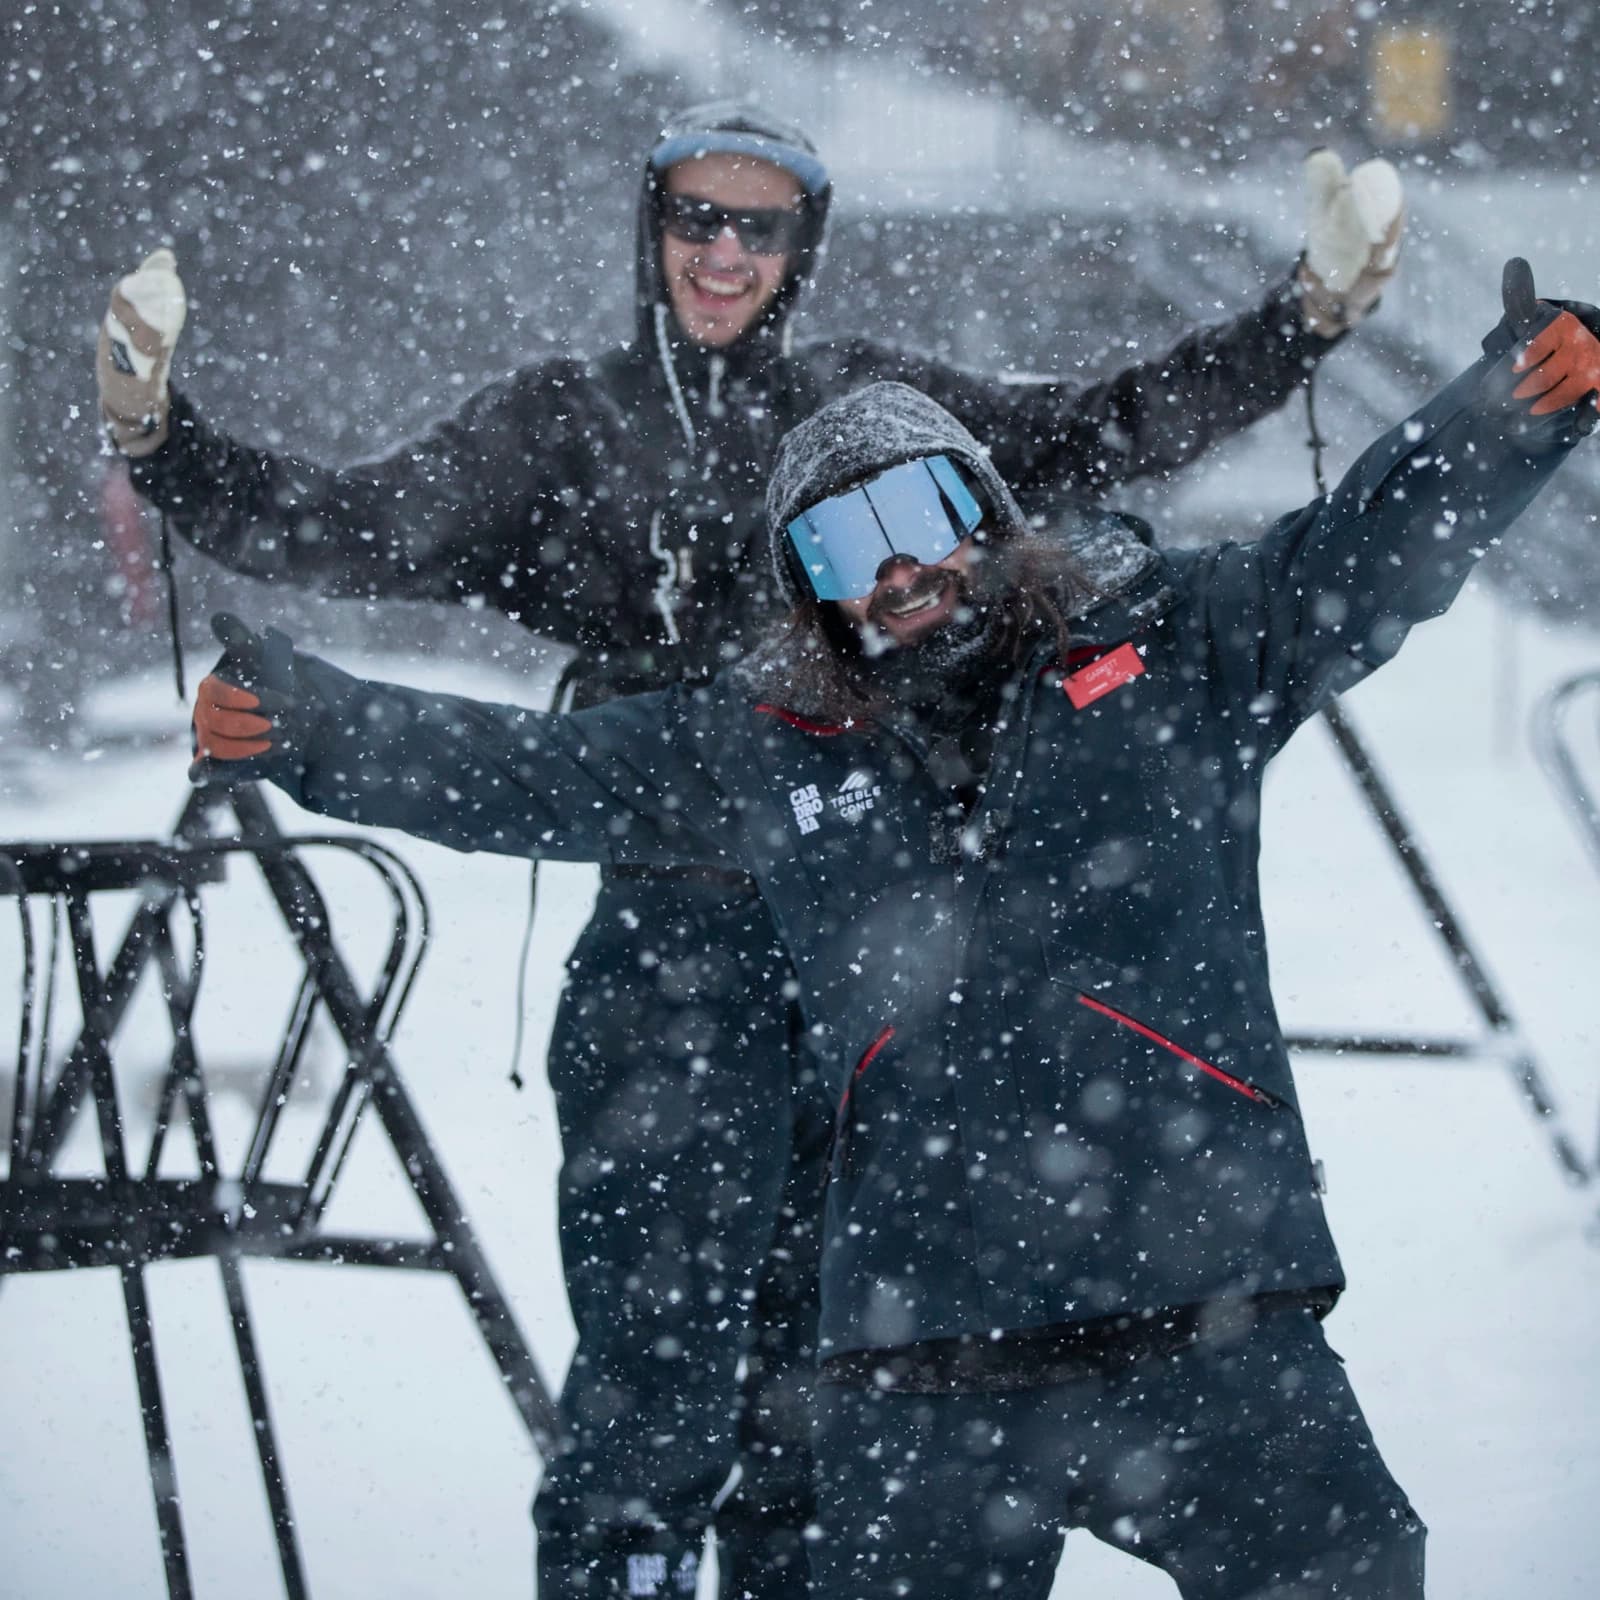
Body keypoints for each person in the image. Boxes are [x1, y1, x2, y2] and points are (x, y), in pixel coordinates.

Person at [101, 101, 1406, 1598]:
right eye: (696, 218)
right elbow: (353, 526)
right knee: (655, 1373)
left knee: (842, 1382)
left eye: (761, 224)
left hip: (868, 942)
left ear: (804, 247)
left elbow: (1094, 425)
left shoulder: (870, 407)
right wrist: (167, 445)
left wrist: (1299, 324)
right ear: (651, 228)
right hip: (679, 932)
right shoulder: (564, 425)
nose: (725, 252)